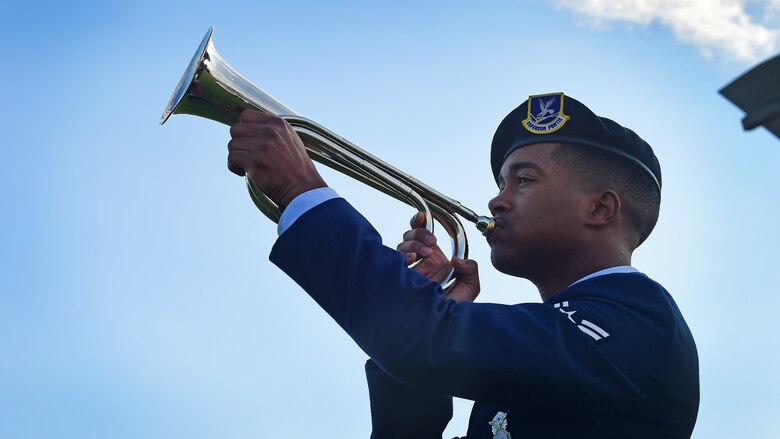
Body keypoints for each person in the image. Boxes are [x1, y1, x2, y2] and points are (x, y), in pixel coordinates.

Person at [226, 92, 700, 438]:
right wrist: (424, 305)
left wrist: (303, 195)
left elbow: (422, 342)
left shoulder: (640, 320)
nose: (496, 200)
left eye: (524, 181)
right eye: (501, 182)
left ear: (600, 210)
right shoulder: (562, 335)